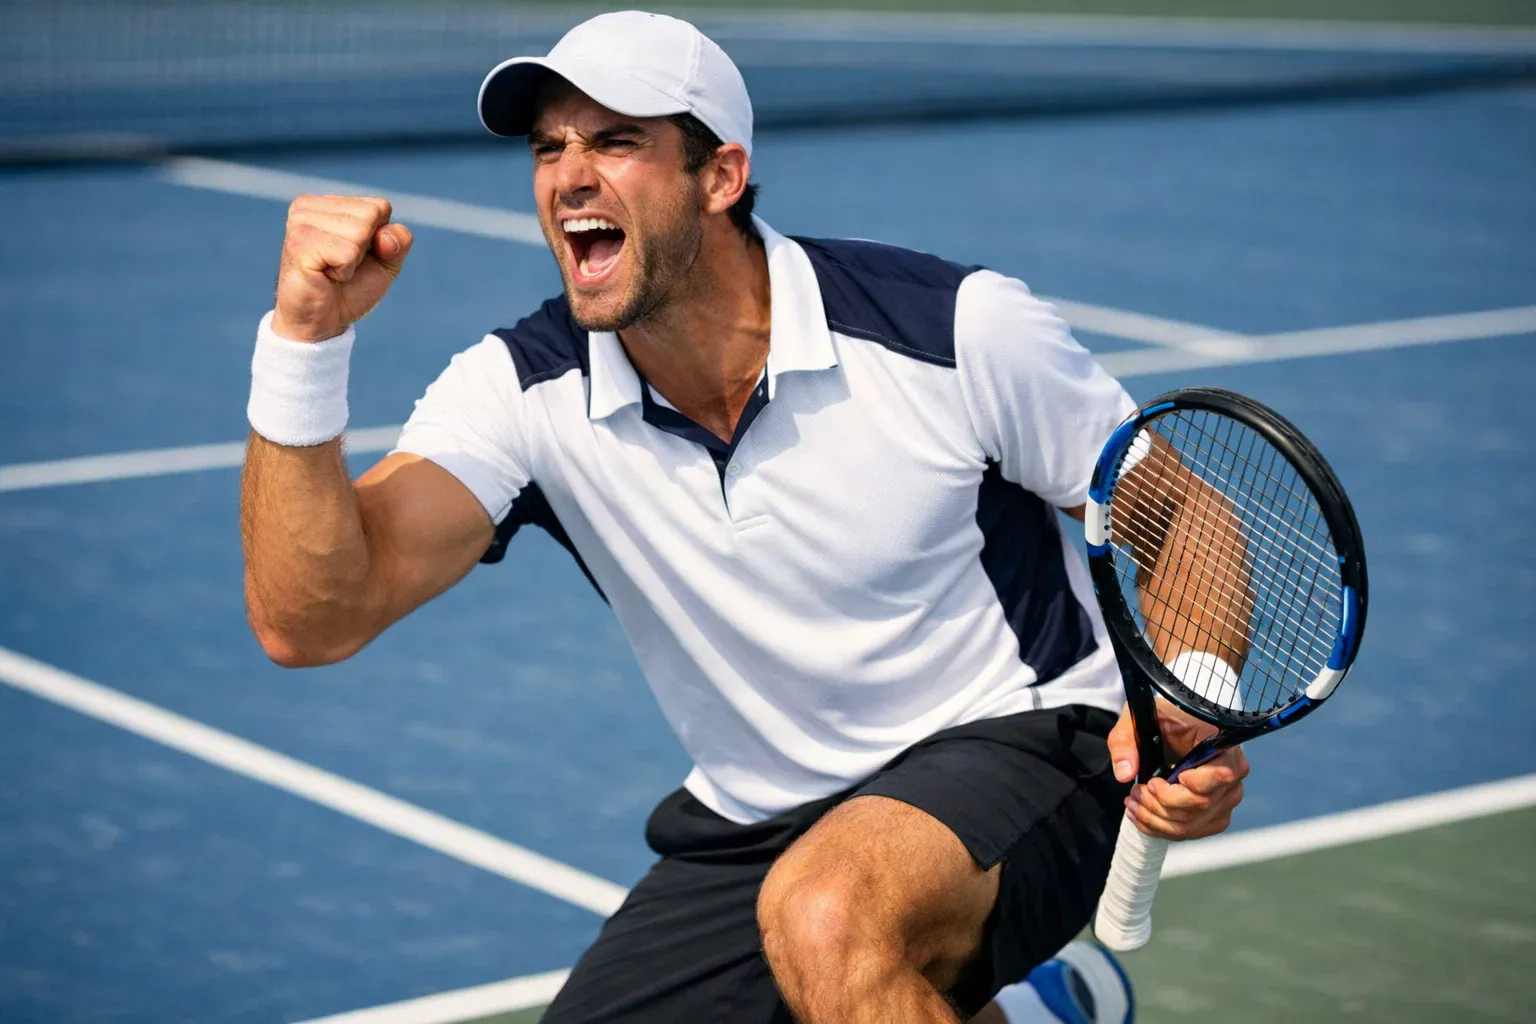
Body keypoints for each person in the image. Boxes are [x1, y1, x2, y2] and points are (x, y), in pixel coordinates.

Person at [239, 11, 1248, 1023]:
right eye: (551, 147)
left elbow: (1181, 515)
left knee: (831, 915)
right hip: (762, 809)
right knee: (823, 918)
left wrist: (1191, 695)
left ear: (719, 176)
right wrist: (303, 344)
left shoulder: (948, 329)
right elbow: (313, 616)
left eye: (616, 141)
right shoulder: (520, 392)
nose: (568, 176)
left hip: (1028, 746)